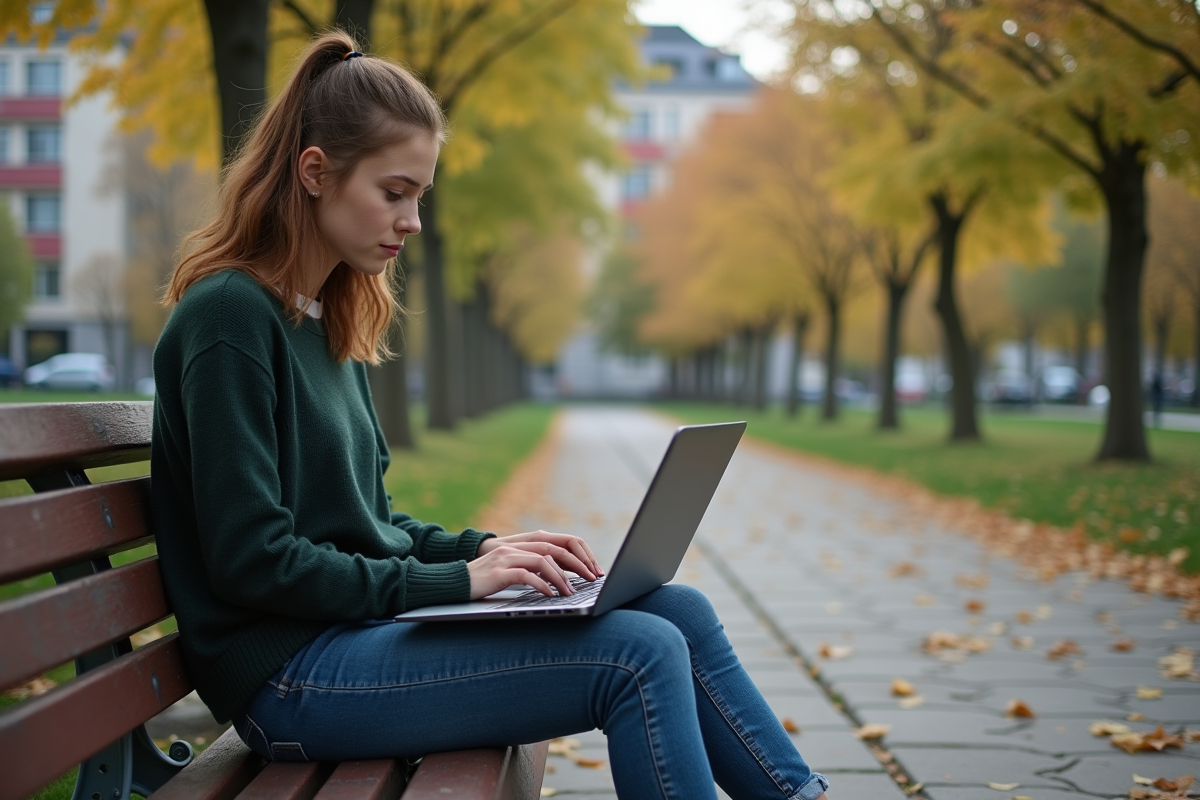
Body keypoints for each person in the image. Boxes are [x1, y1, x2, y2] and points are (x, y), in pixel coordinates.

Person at [150, 31, 829, 800]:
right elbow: (254, 560)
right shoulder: (230, 319)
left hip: (348, 640)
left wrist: (497, 553)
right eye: (393, 191)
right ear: (315, 172)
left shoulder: (323, 319)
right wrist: (457, 583)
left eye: (419, 198)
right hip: (292, 680)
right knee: (637, 653)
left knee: (677, 609)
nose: (410, 220)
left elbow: (367, 524)